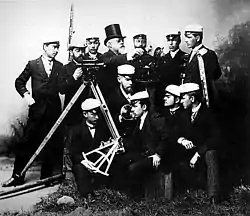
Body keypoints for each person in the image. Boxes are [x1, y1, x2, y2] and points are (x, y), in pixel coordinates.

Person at [2, 39, 64, 187]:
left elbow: (62, 88)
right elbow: (19, 82)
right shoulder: (32, 64)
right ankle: (17, 176)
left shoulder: (60, 66)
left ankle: (46, 177)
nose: (56, 50)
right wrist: (27, 96)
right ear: (45, 47)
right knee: (26, 143)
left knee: (50, 144)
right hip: (37, 112)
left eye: (58, 48)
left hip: (53, 112)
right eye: (53, 47)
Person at [119, 90, 173, 196]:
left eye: (135, 106)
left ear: (144, 107)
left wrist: (158, 154)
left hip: (157, 158)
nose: (132, 109)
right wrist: (121, 144)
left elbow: (167, 137)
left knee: (132, 168)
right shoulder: (140, 120)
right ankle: (123, 194)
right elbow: (134, 141)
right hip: (145, 155)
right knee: (122, 161)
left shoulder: (155, 118)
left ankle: (135, 199)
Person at [176, 83, 221, 204]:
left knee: (211, 154)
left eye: (183, 98)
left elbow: (215, 138)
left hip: (203, 152)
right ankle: (175, 193)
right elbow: (173, 133)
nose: (180, 101)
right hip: (186, 153)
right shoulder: (183, 115)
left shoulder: (209, 114)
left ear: (192, 98)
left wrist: (198, 154)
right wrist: (182, 140)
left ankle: (213, 196)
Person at [69, 98, 111, 200]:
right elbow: (74, 153)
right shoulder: (76, 131)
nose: (97, 117)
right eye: (93, 114)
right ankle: (87, 195)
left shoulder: (104, 128)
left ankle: (108, 189)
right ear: (85, 114)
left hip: (100, 161)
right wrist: (84, 161)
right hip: (85, 162)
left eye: (98, 114)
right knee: (79, 168)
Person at [100, 24, 144, 95]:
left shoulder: (123, 57)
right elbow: (109, 61)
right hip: (110, 95)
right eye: (118, 41)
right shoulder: (104, 57)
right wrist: (128, 56)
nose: (122, 42)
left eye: (122, 40)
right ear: (109, 45)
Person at [183, 24, 222, 107]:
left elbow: (216, 75)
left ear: (197, 38)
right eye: (185, 37)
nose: (186, 40)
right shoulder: (190, 55)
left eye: (189, 37)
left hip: (203, 98)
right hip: (189, 99)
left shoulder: (208, 54)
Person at [155, 30, 188, 108]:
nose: (171, 43)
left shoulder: (186, 57)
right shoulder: (162, 59)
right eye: (168, 40)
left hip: (179, 96)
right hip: (165, 97)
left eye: (173, 40)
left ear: (179, 41)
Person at [58, 36, 87, 126]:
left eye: (83, 50)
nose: (81, 53)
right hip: (72, 110)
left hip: (87, 109)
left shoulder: (89, 66)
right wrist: (73, 78)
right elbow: (61, 90)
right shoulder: (65, 68)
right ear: (71, 52)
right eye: (78, 51)